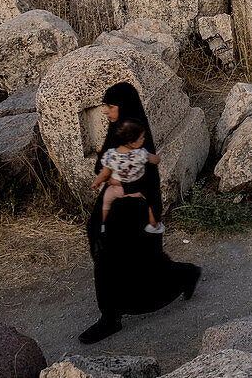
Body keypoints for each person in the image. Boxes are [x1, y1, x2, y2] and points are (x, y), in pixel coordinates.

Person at [79, 82, 201, 345]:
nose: (105, 112)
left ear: (122, 107)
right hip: (116, 207)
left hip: (133, 210)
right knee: (115, 260)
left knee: (134, 262)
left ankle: (112, 316)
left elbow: (145, 178)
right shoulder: (120, 130)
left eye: (109, 107)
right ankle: (112, 313)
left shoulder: (134, 134)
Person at [91, 118, 165, 233]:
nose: (144, 139)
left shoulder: (110, 155)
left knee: (106, 200)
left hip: (117, 189)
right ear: (132, 142)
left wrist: (96, 182)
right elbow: (156, 160)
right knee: (152, 200)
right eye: (141, 138)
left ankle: (102, 224)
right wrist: (153, 157)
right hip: (137, 188)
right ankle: (153, 225)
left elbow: (104, 173)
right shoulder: (140, 153)